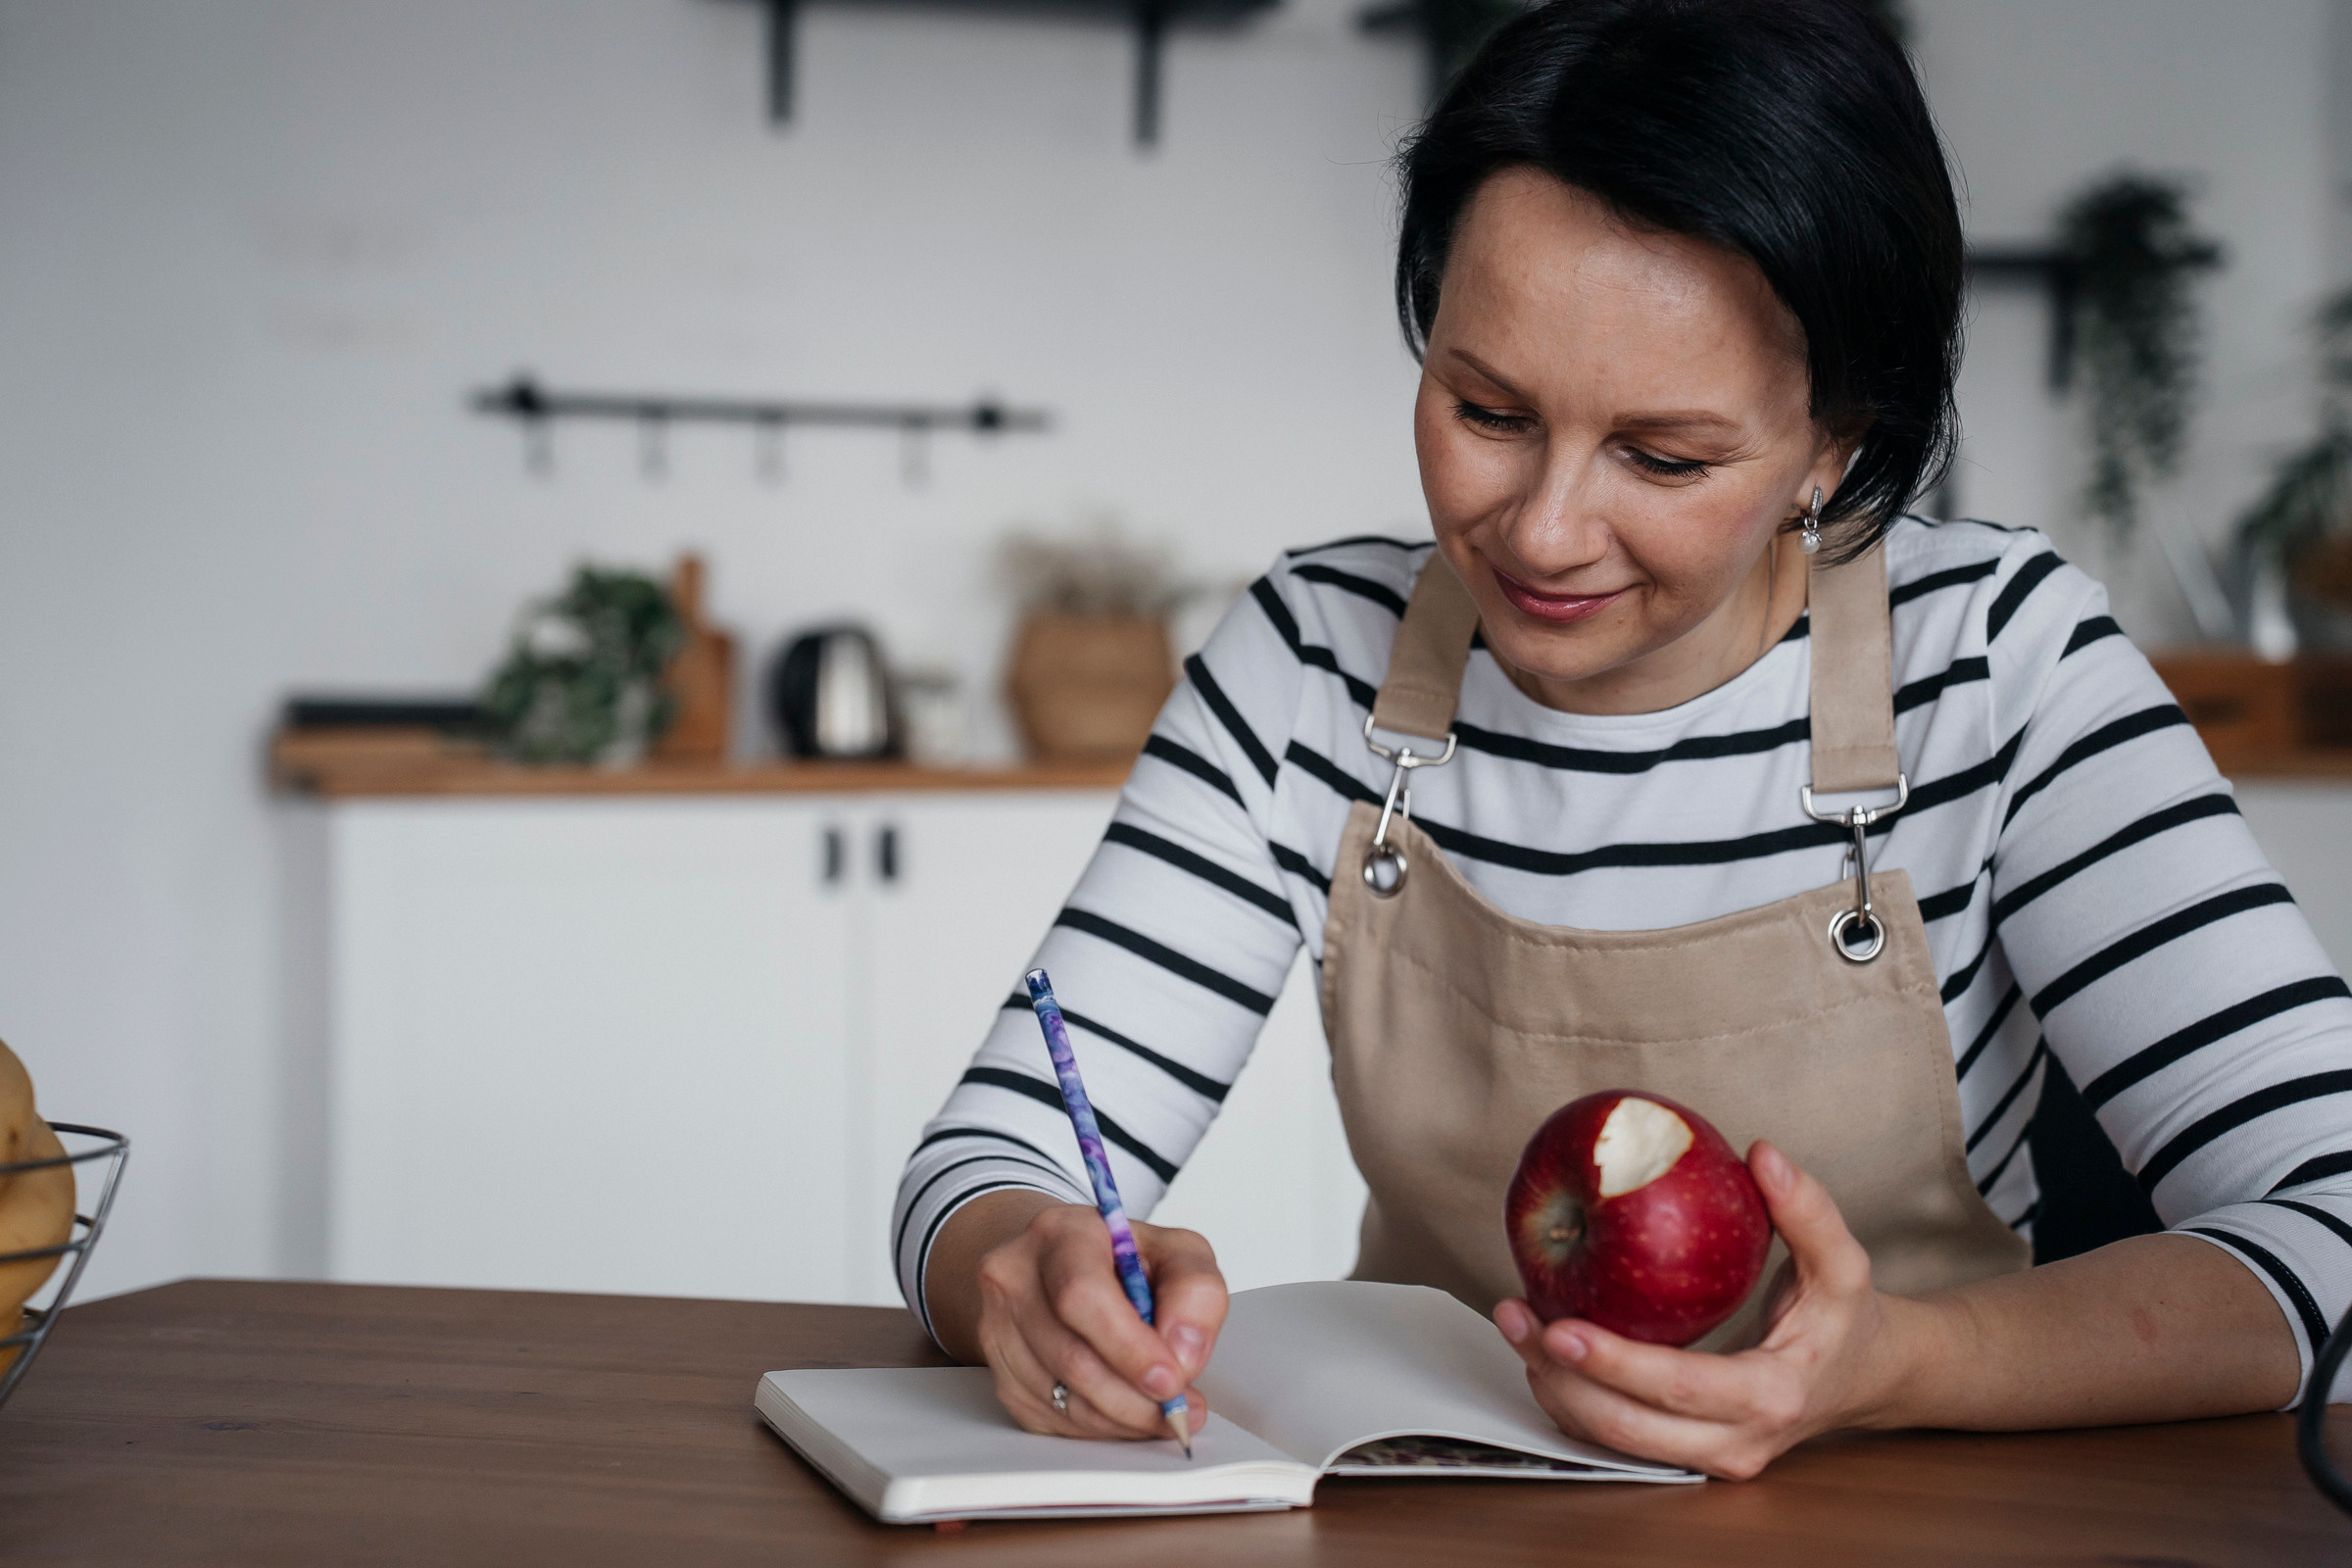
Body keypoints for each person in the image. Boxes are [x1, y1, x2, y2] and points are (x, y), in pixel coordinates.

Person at [895, 0, 2352, 1480]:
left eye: (1663, 455)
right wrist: (1028, 1270)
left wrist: (1898, 1362)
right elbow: (979, 1167)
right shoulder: (1309, 657)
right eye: (1486, 408)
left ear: (1836, 438)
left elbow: (2336, 1210)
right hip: (1441, 1514)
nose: (1541, 530)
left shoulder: (1996, 661)